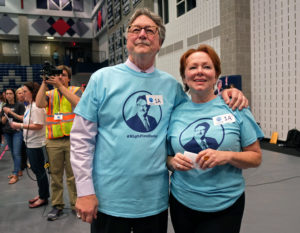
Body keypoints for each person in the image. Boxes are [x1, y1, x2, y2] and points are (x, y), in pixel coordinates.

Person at [70, 8, 248, 233]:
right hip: (110, 201)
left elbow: (199, 107)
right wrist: (85, 190)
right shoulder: (101, 79)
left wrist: (225, 95)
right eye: (136, 29)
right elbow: (81, 140)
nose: (142, 34)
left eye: (149, 30)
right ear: (127, 39)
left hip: (154, 202)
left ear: (159, 41)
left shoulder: (171, 87)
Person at [166, 44, 263, 233]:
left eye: (207, 67)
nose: (199, 72)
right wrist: (172, 162)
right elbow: (166, 157)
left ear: (217, 74)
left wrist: (226, 156)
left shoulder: (235, 106)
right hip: (181, 202)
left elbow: (256, 157)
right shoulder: (174, 113)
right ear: (185, 76)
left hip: (225, 205)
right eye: (193, 67)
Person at [36, 65, 81, 221]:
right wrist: (44, 83)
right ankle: (57, 206)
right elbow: (39, 103)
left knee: (73, 176)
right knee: (55, 176)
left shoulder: (76, 90)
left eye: (62, 75)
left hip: (72, 139)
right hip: (53, 140)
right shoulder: (49, 93)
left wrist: (60, 86)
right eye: (57, 75)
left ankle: (76, 205)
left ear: (68, 77)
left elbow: (79, 103)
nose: (59, 77)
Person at [10, 82, 50, 208]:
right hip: (31, 143)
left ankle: (43, 197)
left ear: (32, 93)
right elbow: (27, 119)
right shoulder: (29, 106)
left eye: (25, 91)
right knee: (37, 170)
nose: (22, 94)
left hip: (37, 144)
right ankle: (42, 193)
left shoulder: (37, 107)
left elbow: (38, 126)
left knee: (39, 171)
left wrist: (19, 125)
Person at [1, 88, 25, 184]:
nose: (9, 95)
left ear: (13, 95)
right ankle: (18, 170)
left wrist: (10, 112)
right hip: (7, 132)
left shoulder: (19, 105)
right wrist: (5, 114)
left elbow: (23, 118)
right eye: (7, 94)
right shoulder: (5, 106)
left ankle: (15, 174)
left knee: (16, 153)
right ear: (5, 95)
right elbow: (2, 121)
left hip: (17, 131)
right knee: (12, 153)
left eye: (10, 93)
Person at [16, 87, 27, 174]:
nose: (21, 94)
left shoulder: (28, 103)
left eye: (23, 92)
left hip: (28, 128)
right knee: (20, 148)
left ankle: (27, 162)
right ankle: (21, 165)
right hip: (19, 128)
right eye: (19, 93)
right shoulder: (16, 105)